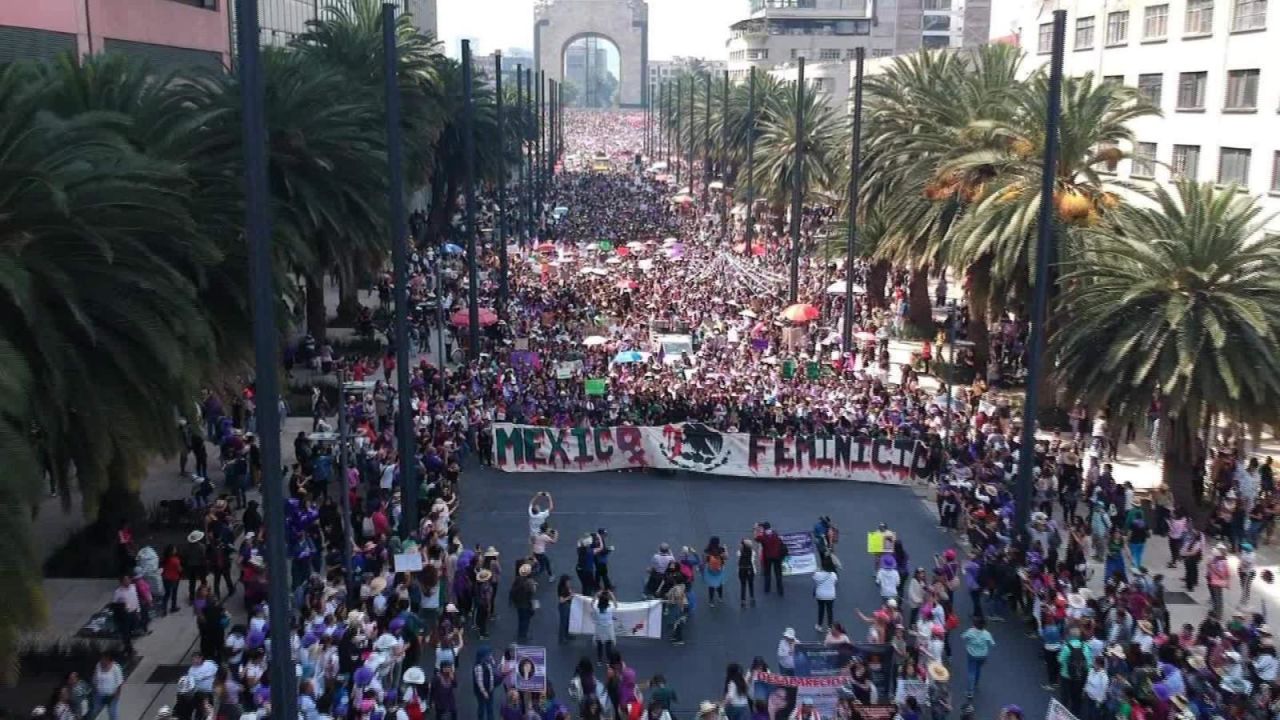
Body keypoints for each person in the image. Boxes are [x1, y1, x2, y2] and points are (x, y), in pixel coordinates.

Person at [1057, 625, 1092, 715]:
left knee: (1065, 697)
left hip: (1066, 676)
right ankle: (1075, 714)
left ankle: (1063, 715)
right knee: (1076, 697)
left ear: (1070, 635)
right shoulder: (1085, 646)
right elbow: (1089, 664)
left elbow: (1060, 660)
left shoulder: (1066, 647)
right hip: (1079, 677)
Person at [960, 616, 995, 695]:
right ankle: (976, 682)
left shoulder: (970, 631)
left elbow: (963, 636)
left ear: (974, 624)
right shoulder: (986, 633)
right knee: (978, 668)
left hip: (972, 654)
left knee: (971, 671)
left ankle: (970, 691)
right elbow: (992, 643)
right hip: (982, 655)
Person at [90, 653, 123, 720]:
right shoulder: (98, 665)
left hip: (112, 695)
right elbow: (95, 678)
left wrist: (116, 696)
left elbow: (119, 683)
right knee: (95, 711)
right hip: (99, 694)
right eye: (101, 659)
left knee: (112, 713)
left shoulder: (116, 668)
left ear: (109, 660)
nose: (102, 661)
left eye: (104, 660)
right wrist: (95, 688)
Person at [756, 523, 786, 596]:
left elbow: (756, 538)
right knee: (778, 574)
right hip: (777, 556)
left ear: (764, 528)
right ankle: (780, 590)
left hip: (768, 557)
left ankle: (767, 589)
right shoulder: (776, 534)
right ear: (770, 527)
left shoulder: (763, 536)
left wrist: (755, 529)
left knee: (767, 573)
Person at [813, 557, 838, 633]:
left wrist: (817, 570)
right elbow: (835, 582)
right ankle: (829, 627)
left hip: (820, 595)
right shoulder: (833, 575)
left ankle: (819, 625)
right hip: (830, 595)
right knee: (830, 610)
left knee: (821, 610)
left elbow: (814, 578)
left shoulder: (818, 574)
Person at [592, 589, 618, 662]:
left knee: (599, 645)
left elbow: (592, 603)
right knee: (608, 646)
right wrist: (611, 594)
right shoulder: (610, 609)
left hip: (599, 630)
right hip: (608, 630)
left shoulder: (597, 609)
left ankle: (599, 660)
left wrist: (597, 594)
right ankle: (608, 661)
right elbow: (616, 605)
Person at [474, 646, 498, 720]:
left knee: (490, 707)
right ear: (483, 656)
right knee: (482, 707)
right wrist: (484, 692)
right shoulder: (479, 667)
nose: (491, 655)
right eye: (489, 654)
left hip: (490, 689)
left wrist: (492, 660)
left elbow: (494, 667)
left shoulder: (488, 661)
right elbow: (479, 681)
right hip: (482, 692)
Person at [737, 538, 756, 609]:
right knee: (751, 584)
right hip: (749, 568)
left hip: (742, 569)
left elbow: (738, 553)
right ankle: (752, 597)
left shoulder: (740, 552)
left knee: (743, 584)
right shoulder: (751, 551)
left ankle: (743, 600)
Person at [557, 575, 575, 644]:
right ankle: (561, 639)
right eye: (568, 581)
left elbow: (570, 592)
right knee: (563, 623)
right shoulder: (562, 588)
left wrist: (571, 593)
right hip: (564, 606)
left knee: (567, 621)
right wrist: (569, 597)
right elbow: (561, 600)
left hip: (567, 605)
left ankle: (567, 635)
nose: (569, 582)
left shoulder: (566, 587)